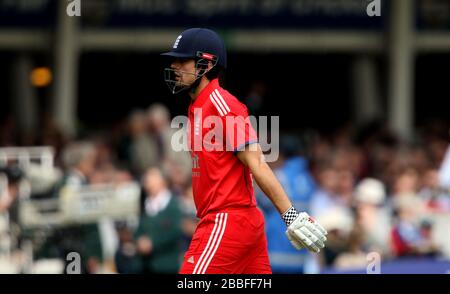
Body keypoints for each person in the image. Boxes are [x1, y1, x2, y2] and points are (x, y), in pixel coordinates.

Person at [161, 28, 327, 274]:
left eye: (182, 59)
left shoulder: (222, 104)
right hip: (238, 222)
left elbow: (257, 162)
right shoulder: (197, 107)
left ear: (206, 65)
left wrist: (290, 216)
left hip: (225, 221)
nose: (174, 65)